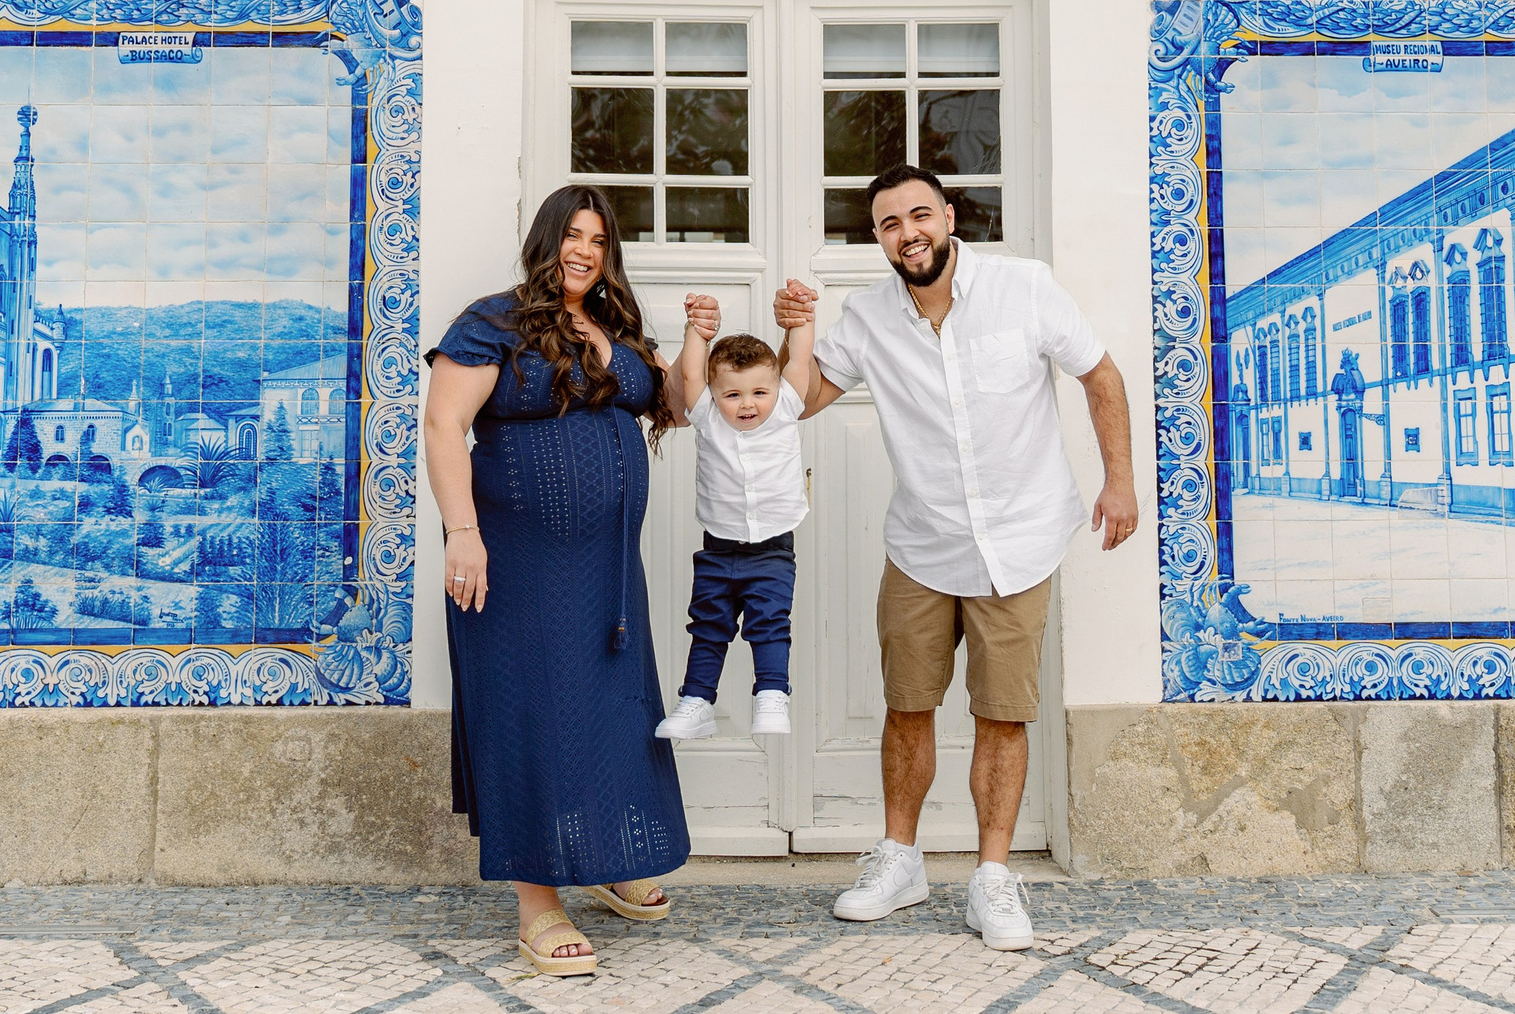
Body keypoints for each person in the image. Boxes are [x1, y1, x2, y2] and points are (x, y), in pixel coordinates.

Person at [773, 164, 1135, 952]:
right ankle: (900, 859)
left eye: (918, 215)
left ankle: (992, 877)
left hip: (1021, 538)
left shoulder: (1023, 287)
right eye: (889, 224)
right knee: (907, 703)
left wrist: (1120, 480)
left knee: (1002, 711)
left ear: (948, 215)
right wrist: (796, 328)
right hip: (924, 543)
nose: (908, 233)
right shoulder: (867, 318)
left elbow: (1100, 373)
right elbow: (796, 401)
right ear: (878, 240)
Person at [424, 185, 712, 977]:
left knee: (613, 713)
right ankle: (537, 902)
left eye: (597, 238)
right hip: (515, 565)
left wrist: (694, 339)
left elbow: (678, 408)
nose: (583, 249)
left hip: (607, 569)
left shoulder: (614, 331)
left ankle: (614, 859)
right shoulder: (493, 321)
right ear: (545, 240)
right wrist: (462, 531)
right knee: (533, 713)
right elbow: (443, 422)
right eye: (570, 234)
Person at [655, 300, 814, 741]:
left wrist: (801, 319)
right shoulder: (705, 416)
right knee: (708, 626)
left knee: (768, 622)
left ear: (776, 390)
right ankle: (698, 702)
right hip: (718, 549)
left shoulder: (786, 408)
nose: (747, 404)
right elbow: (690, 374)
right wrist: (697, 331)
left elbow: (799, 358)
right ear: (714, 395)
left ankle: (771, 693)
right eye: (733, 394)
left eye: (759, 392)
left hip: (772, 550)